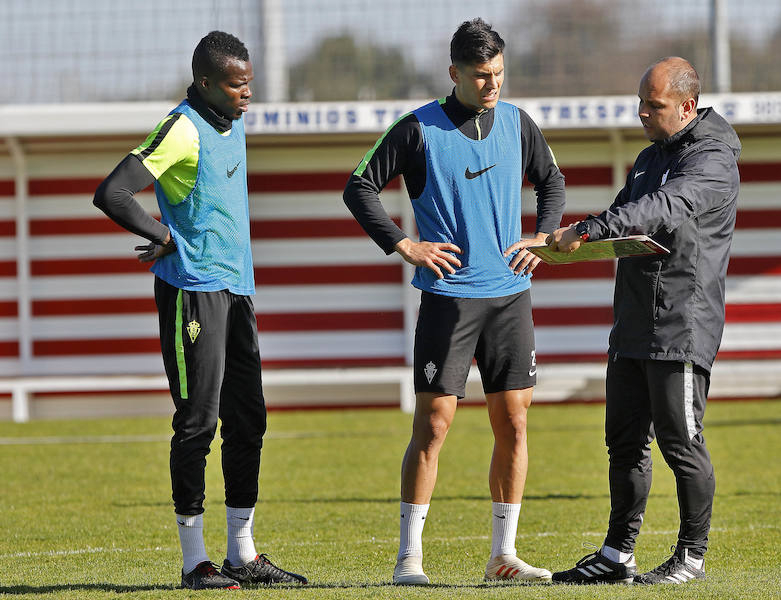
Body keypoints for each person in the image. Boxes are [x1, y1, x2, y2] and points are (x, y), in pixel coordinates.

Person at [343, 18, 566, 585]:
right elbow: (359, 186)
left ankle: (503, 557)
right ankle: (408, 561)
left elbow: (552, 183)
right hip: (449, 298)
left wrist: (543, 234)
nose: (492, 84)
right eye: (480, 75)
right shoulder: (417, 128)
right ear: (454, 73)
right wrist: (404, 244)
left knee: (514, 423)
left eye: (498, 73)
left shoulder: (518, 123)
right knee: (435, 425)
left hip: (511, 297)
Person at [93, 31, 306, 590]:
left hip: (237, 290)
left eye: (250, 84)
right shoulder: (182, 127)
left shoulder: (228, 122)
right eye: (237, 85)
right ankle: (194, 563)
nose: (247, 95)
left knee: (249, 420)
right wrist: (163, 235)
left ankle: (243, 554)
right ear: (206, 83)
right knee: (197, 422)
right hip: (193, 292)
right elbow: (113, 192)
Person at [547, 57, 741, 586]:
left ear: (687, 106)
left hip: (680, 322)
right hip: (633, 319)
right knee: (624, 440)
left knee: (681, 442)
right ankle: (617, 555)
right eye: (640, 103)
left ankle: (692, 558)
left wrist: (588, 229)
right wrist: (557, 242)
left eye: (653, 106)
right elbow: (622, 215)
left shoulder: (713, 157)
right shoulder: (648, 157)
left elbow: (662, 208)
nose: (642, 114)